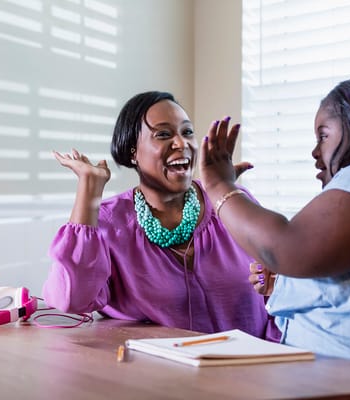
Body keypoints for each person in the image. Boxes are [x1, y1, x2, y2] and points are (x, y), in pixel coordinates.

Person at [199, 76, 350, 376]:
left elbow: (286, 247)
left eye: (323, 136)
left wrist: (218, 185)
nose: (315, 153)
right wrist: (283, 283)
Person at [43, 91, 279, 339]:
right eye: (163, 134)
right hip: (161, 373)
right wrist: (89, 189)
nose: (181, 143)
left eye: (187, 132)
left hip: (253, 366)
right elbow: (70, 301)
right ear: (133, 150)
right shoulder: (107, 224)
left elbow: (281, 286)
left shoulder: (230, 201)